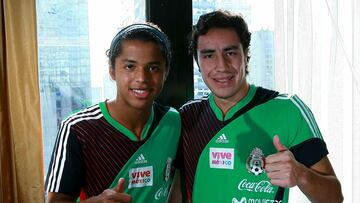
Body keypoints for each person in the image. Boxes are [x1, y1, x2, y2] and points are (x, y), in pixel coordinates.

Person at [176, 10, 343, 203]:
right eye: (209, 55)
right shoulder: (187, 117)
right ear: (198, 62)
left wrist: (301, 174)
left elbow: (334, 197)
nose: (221, 66)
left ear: (246, 54)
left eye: (230, 52)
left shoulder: (288, 110)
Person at [45, 23, 181, 203]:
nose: (142, 78)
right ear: (112, 71)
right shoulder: (78, 128)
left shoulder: (173, 121)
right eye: (130, 67)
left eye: (153, 68)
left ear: (166, 72)